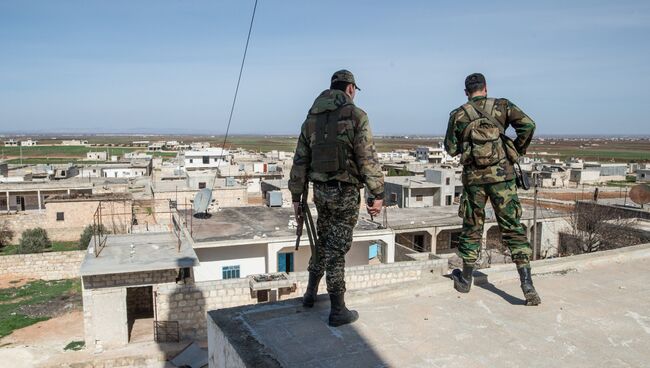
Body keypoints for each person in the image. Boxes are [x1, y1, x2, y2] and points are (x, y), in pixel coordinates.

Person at [289, 69, 385, 326]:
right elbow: (367, 158)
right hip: (345, 192)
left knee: (323, 240)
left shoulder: (311, 120)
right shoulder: (356, 116)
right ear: (350, 89)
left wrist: (296, 198)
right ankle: (338, 309)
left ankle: (310, 293)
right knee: (336, 249)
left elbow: (300, 161)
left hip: (320, 192)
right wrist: (377, 193)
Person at [444, 73, 541, 306]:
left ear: (466, 92)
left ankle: (466, 280)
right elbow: (528, 125)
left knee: (472, 226)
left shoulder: (458, 114)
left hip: (474, 179)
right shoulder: (502, 106)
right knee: (512, 228)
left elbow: (450, 148)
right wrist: (514, 150)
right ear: (485, 89)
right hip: (502, 177)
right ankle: (527, 284)